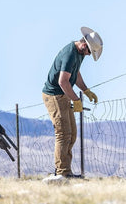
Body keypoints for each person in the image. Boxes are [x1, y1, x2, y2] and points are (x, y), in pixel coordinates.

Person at [42, 27, 103, 178]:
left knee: (72, 134)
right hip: (55, 96)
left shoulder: (79, 54)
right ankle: (62, 173)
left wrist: (86, 90)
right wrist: (76, 100)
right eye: (89, 52)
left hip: (63, 95)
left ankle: (65, 171)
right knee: (63, 134)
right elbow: (63, 82)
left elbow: (75, 74)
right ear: (84, 45)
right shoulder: (70, 53)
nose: (89, 55)